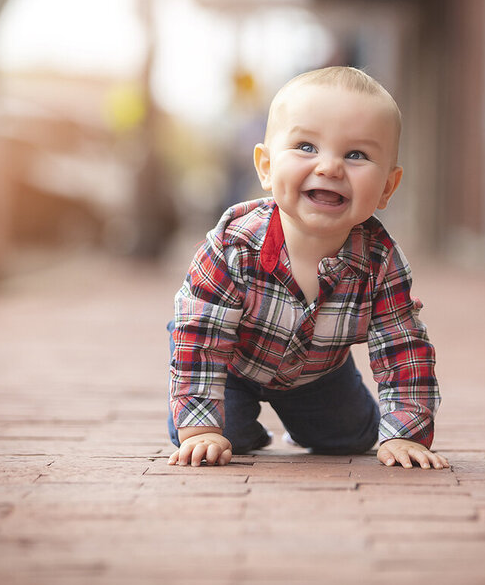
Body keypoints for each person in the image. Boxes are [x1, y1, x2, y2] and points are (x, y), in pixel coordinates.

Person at [166, 66, 448, 470]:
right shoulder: (236, 244)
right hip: (227, 360)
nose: (330, 167)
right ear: (265, 167)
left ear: (387, 186)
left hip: (318, 371)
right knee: (217, 437)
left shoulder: (378, 260)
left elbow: (402, 346)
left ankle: (304, 420)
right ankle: (240, 424)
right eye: (306, 147)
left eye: (356, 155)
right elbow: (202, 336)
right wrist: (201, 429)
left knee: (353, 438)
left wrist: (406, 433)